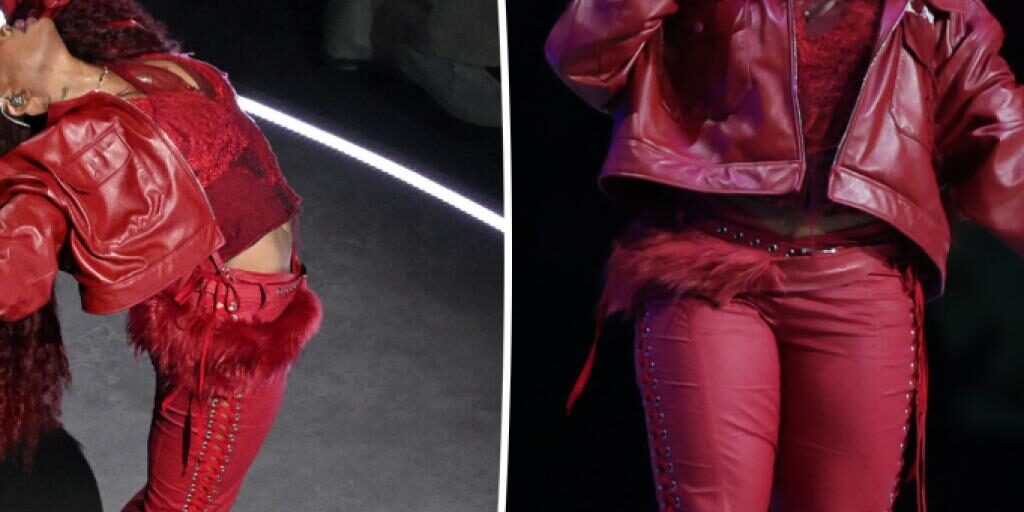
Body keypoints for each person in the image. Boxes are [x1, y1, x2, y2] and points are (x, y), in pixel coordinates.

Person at [546, 0, 1024, 510]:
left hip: (857, 283)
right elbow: (583, 55)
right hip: (711, 269)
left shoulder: (934, 10)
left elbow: (1005, 138)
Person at [0, 1, 323, 510]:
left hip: (250, 307)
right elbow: (13, 266)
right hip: (226, 332)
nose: (8, 34)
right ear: (17, 98)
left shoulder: (124, 54)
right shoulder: (80, 157)